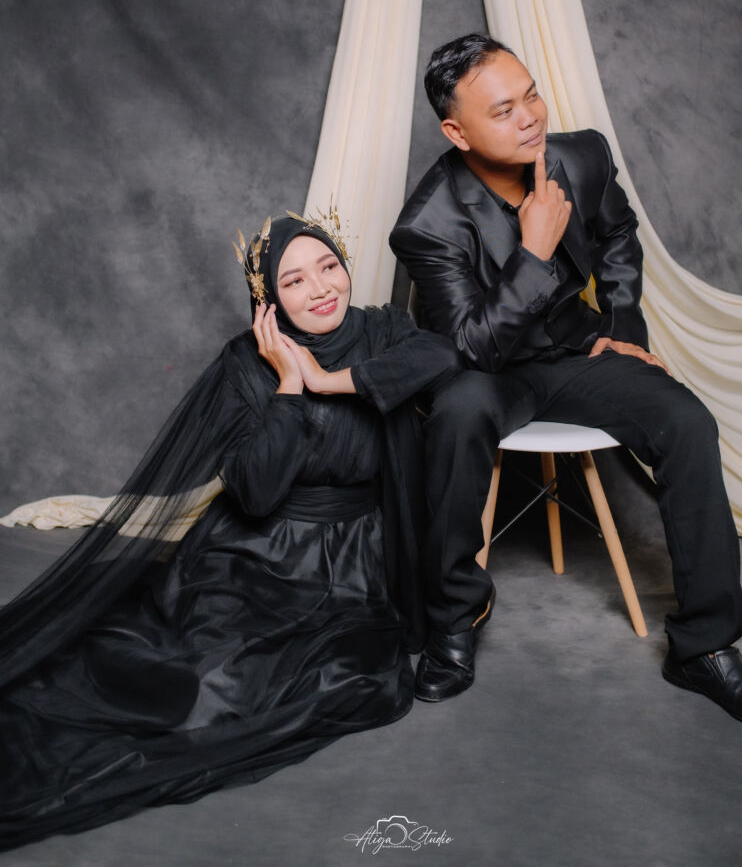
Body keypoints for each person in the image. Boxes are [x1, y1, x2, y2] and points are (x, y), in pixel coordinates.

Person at [0, 215, 460, 849]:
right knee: (203, 680)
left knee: (347, 679)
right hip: (255, 554)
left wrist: (331, 380)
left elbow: (444, 355)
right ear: (269, 299)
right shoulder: (247, 363)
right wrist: (291, 387)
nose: (320, 288)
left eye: (329, 266)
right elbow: (256, 492)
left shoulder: (383, 330)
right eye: (294, 281)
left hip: (355, 564)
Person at [389, 32, 742, 729]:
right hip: (486, 370)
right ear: (457, 133)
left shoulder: (581, 158)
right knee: (457, 415)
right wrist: (535, 252)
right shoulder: (427, 224)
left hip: (575, 350)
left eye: (531, 96)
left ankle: (705, 647)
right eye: (502, 111)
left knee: (686, 420)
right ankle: (455, 617)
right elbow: (472, 347)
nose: (529, 118)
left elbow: (618, 233)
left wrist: (620, 324)